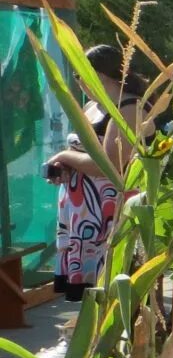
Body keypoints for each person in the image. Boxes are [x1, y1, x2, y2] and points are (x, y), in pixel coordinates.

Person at [46, 45, 148, 301]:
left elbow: (109, 165)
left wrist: (65, 157)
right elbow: (83, 150)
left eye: (80, 75)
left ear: (99, 76)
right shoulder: (93, 106)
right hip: (80, 210)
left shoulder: (127, 109)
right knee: (87, 291)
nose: (78, 82)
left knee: (106, 284)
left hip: (105, 211)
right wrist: (65, 166)